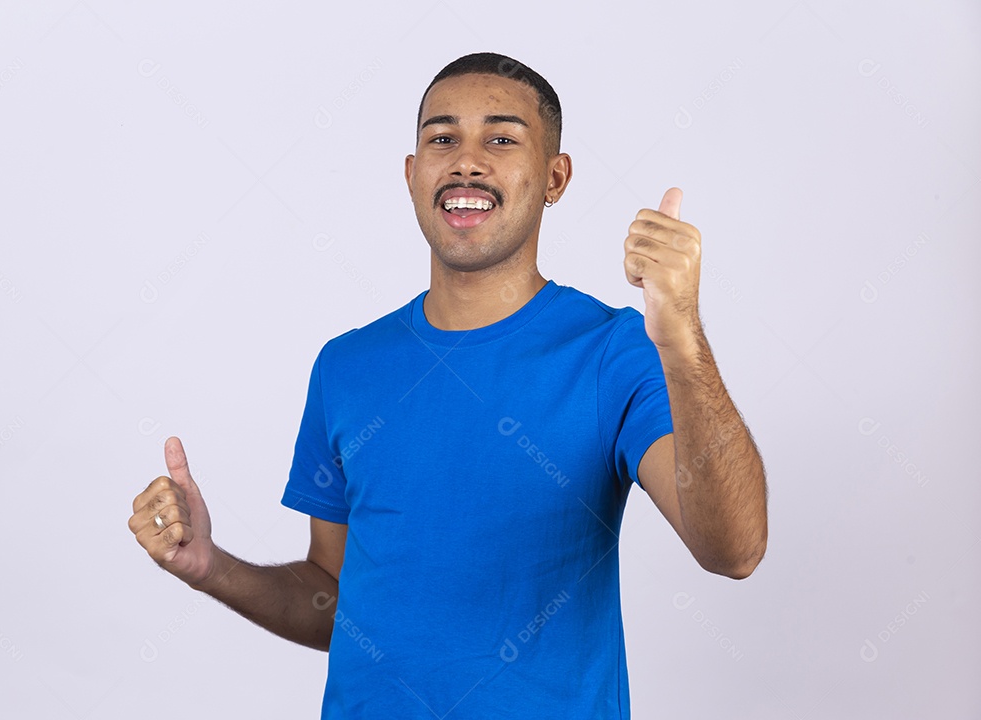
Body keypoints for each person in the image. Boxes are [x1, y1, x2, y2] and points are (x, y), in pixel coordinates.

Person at [128, 52, 767, 718]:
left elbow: (735, 548)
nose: (466, 160)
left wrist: (682, 336)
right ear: (412, 175)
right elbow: (333, 597)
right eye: (442, 139)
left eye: (500, 138)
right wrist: (210, 566)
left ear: (556, 177)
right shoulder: (346, 366)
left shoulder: (616, 352)